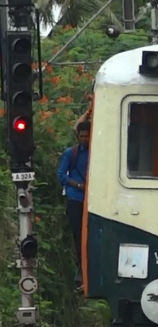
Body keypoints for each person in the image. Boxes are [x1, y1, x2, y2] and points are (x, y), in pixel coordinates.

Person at [57, 120, 90, 290]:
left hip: (91, 200)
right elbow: (61, 175)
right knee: (78, 235)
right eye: (82, 136)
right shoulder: (71, 153)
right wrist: (78, 185)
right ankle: (81, 270)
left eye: (87, 136)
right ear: (77, 136)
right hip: (76, 198)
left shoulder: (96, 153)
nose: (84, 139)